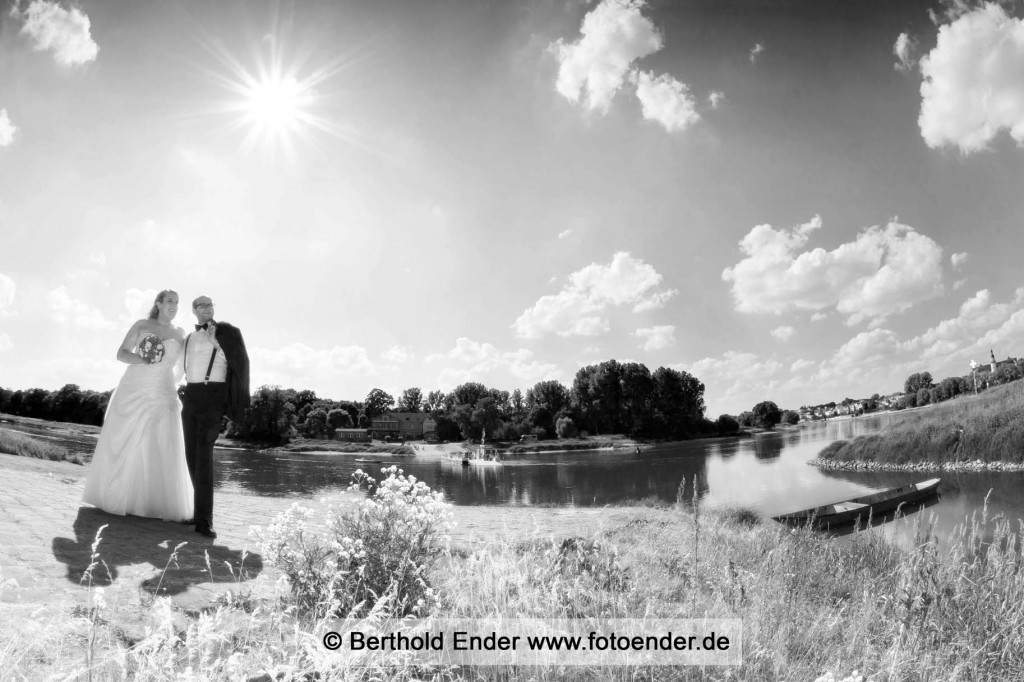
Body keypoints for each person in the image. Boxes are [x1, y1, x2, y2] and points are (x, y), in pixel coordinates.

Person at [82, 290, 194, 522]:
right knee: (127, 438)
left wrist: (170, 384)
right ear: (159, 303)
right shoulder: (142, 325)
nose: (174, 305)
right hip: (135, 386)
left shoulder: (181, 333)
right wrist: (143, 359)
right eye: (170, 300)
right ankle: (120, 497)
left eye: (177, 302)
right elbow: (121, 354)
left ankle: (157, 503)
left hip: (163, 389)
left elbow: (183, 366)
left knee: (163, 441)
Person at [181, 295, 249, 539]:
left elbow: (239, 362)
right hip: (191, 395)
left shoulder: (227, 332)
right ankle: (195, 513)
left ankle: (205, 521)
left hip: (213, 396)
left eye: (210, 305)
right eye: (202, 305)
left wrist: (216, 342)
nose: (207, 308)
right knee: (190, 454)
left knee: (204, 455)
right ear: (194, 310)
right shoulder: (188, 338)